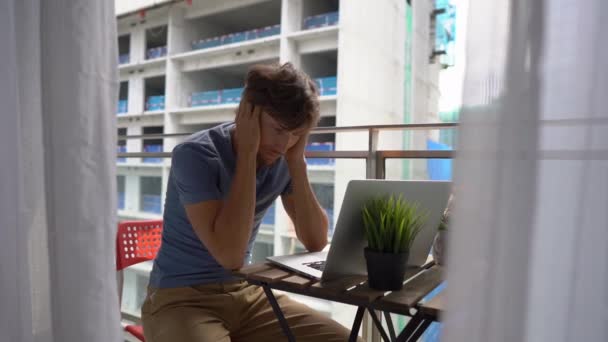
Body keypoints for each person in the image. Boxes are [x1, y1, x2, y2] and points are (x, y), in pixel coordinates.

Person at [141, 62, 361, 342]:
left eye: (295, 134)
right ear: (247, 113)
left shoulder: (285, 156)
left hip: (248, 292)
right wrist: (247, 154)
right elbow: (230, 255)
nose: (283, 144)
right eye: (278, 129)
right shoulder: (195, 155)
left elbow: (315, 240)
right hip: (180, 298)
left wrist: (297, 162)